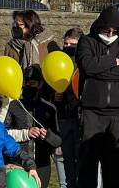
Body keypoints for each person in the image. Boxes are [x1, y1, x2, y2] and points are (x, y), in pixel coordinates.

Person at [75, 5, 119, 188]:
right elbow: (87, 66)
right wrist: (111, 61)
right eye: (106, 30)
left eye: (114, 31)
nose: (109, 34)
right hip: (92, 113)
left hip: (118, 114)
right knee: (88, 164)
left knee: (116, 166)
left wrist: (99, 70)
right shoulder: (86, 42)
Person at [52, 28, 83, 188]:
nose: (68, 46)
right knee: (67, 160)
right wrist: (56, 96)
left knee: (83, 161)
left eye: (72, 44)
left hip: (80, 117)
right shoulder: (59, 60)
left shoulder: (84, 62)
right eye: (65, 43)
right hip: (64, 117)